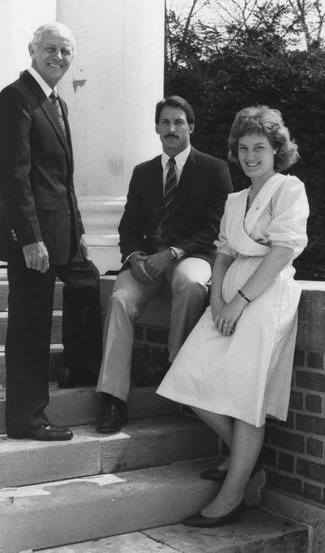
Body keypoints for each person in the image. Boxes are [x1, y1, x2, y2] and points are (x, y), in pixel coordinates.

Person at [157, 105, 309, 527]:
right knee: (187, 380)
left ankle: (233, 493)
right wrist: (219, 302)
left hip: (266, 293)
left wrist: (241, 300)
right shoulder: (235, 198)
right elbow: (222, 253)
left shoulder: (288, 189)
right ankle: (246, 463)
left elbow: (282, 251)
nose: (250, 156)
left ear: (277, 150)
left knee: (245, 399)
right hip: (229, 292)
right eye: (243, 148)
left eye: (259, 147)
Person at [0, 22, 102, 441]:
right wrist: (30, 238)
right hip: (32, 237)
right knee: (30, 326)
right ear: (32, 51)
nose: (58, 57)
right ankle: (26, 418)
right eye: (50, 49)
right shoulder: (15, 99)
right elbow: (13, 178)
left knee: (87, 284)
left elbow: (63, 178)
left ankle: (79, 369)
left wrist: (80, 230)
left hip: (63, 232)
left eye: (66, 51)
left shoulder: (55, 103)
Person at [95, 95, 233, 434]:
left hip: (193, 256)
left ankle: (176, 370)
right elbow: (128, 227)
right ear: (157, 127)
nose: (171, 129)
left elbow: (216, 228)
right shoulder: (143, 173)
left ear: (191, 128)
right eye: (165, 122)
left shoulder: (214, 169)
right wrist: (133, 257)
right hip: (148, 260)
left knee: (191, 283)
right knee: (118, 300)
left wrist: (171, 253)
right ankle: (113, 396)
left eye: (179, 122)